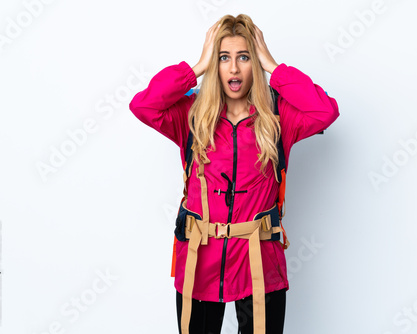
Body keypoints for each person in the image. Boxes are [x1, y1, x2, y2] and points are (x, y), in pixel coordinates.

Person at [129, 13, 339, 334]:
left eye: (244, 57)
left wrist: (274, 66)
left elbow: (325, 110)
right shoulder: (191, 114)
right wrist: (196, 67)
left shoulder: (279, 116)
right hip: (200, 258)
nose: (234, 68)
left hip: (259, 258)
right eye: (224, 58)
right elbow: (144, 105)